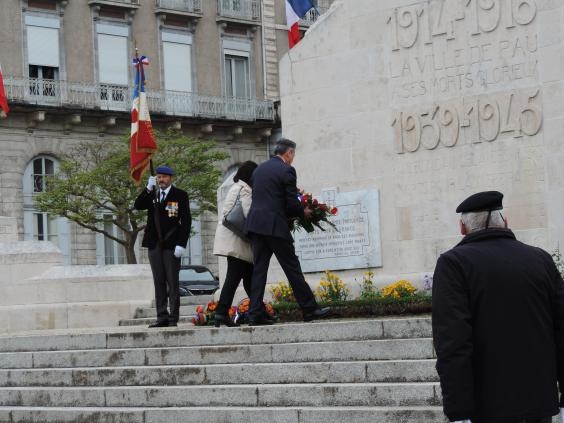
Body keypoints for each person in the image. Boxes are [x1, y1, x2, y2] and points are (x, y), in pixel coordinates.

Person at [432, 191, 564, 423]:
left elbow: (454, 343)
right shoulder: (541, 259)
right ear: (504, 221)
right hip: (540, 404)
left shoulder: (453, 264)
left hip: (488, 408)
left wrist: (458, 411)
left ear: (462, 228)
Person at [245, 138, 330, 325]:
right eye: (293, 155)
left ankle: (254, 314)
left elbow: (265, 197)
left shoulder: (259, 170)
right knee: (292, 268)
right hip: (275, 226)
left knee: (259, 271)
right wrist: (303, 212)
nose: (293, 159)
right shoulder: (287, 170)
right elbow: (291, 204)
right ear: (288, 153)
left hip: (256, 226)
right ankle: (309, 309)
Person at [134, 165, 191, 328]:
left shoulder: (180, 195)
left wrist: (182, 244)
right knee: (158, 282)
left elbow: (186, 221)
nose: (161, 180)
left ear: (171, 178)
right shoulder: (152, 194)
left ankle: (173, 318)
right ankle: (161, 317)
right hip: (154, 244)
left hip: (172, 245)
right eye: (159, 177)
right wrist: (147, 188)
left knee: (172, 282)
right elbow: (138, 205)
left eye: (164, 177)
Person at [212, 161, 257, 327]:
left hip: (237, 242)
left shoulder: (237, 187)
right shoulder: (244, 189)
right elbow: (249, 214)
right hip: (237, 243)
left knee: (249, 279)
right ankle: (221, 313)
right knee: (233, 279)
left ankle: (257, 311)